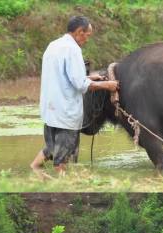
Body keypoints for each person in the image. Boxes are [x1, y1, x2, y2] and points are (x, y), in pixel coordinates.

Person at [30, 15, 119, 177]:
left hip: (51, 109)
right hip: (65, 111)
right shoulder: (73, 50)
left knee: (52, 146)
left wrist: (91, 77)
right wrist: (107, 85)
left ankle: (35, 168)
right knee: (64, 152)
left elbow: (64, 76)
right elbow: (80, 84)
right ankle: (64, 183)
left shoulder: (53, 45)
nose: (87, 39)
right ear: (79, 32)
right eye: (87, 35)